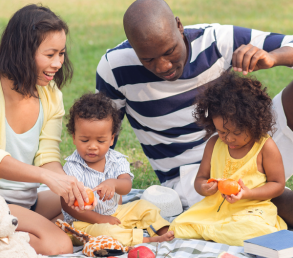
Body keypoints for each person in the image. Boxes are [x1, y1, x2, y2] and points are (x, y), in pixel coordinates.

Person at [95, 0, 293, 226]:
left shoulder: (216, 41)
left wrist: (274, 57)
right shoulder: (114, 67)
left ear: (179, 26)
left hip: (250, 144)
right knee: (269, 203)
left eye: (169, 52)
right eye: (148, 59)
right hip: (195, 178)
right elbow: (102, 138)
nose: (163, 66)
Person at [0, 4, 94, 255]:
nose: (58, 63)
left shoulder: (51, 95)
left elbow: (47, 155)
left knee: (92, 199)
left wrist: (65, 182)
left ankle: (12, 233)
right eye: (50, 54)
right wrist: (44, 178)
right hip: (2, 203)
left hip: (25, 202)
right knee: (59, 244)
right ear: (23, 50)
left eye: (61, 53)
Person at [168, 71, 286, 246]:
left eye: (236, 133)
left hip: (250, 210)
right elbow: (200, 179)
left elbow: (278, 185)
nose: (229, 138)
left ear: (253, 123)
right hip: (214, 209)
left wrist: (248, 193)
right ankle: (217, 232)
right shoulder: (214, 144)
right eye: (222, 132)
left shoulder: (264, 146)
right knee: (176, 226)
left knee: (254, 230)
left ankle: (212, 233)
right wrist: (204, 188)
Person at [61, 92, 174, 246]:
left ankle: (163, 230)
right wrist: (101, 220)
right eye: (84, 140)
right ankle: (145, 239)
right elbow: (67, 204)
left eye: (101, 140)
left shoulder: (117, 159)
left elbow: (126, 186)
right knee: (107, 233)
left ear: (112, 138)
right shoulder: (72, 167)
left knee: (144, 206)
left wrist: (113, 183)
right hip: (84, 223)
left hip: (115, 212)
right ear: (74, 137)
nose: (92, 146)